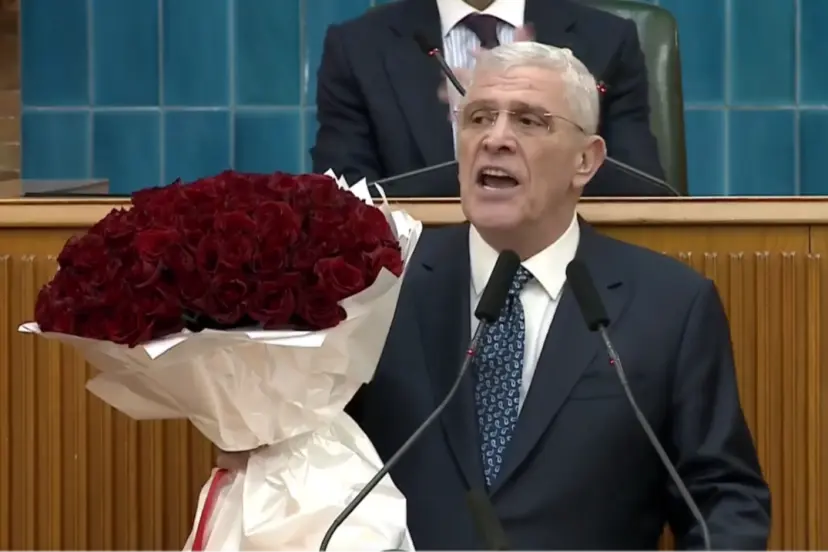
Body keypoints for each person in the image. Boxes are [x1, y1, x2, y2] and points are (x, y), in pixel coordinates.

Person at [224, 43, 770, 549]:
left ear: (586, 160)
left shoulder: (670, 306)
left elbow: (722, 500)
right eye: (479, 117)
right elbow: (310, 462)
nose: (496, 138)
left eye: (529, 121)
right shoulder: (380, 286)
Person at [310, 0, 669, 197]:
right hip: (417, 275)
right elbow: (344, 200)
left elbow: (642, 190)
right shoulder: (357, 48)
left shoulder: (608, 40)